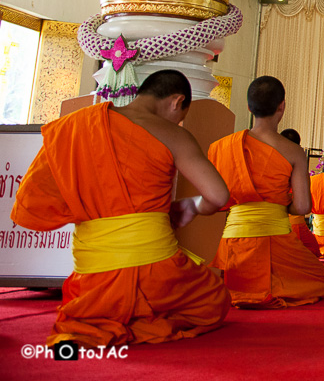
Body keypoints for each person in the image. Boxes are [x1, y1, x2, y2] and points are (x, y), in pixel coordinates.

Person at [11, 70, 230, 347]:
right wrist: (192, 204)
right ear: (177, 101)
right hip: (157, 272)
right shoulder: (173, 134)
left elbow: (35, 200)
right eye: (181, 115)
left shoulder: (75, 126)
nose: (179, 122)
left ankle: (111, 318)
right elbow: (218, 195)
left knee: (95, 302)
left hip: (92, 277)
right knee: (214, 300)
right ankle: (143, 320)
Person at [208, 76, 324, 307]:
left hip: (233, 243)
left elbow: (217, 200)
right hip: (276, 240)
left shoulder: (221, 147)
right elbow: (303, 207)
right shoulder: (293, 152)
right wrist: (279, 203)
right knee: (319, 280)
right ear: (281, 106)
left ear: (248, 107)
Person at [279, 129, 321, 257]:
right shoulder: (298, 161)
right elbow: (303, 205)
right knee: (311, 253)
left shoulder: (270, 160)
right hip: (292, 222)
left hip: (271, 219)